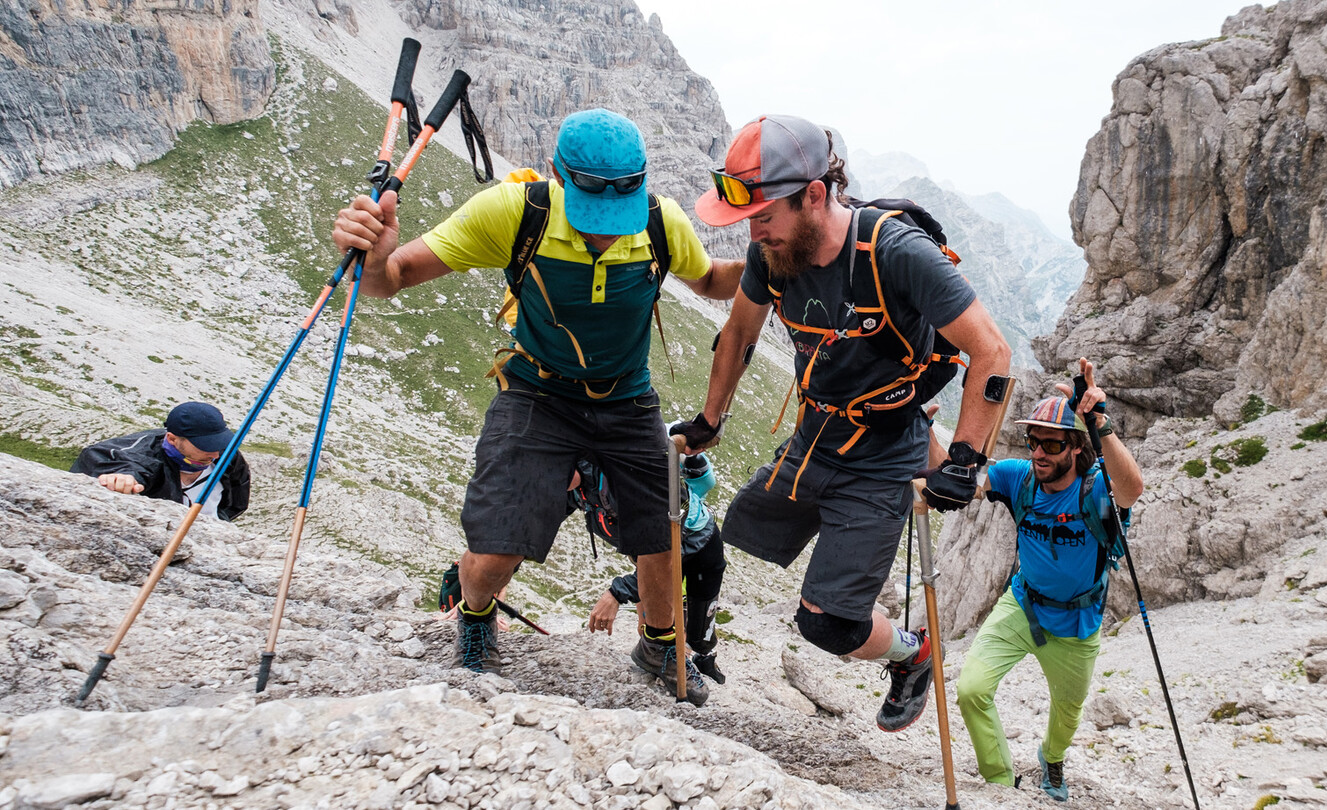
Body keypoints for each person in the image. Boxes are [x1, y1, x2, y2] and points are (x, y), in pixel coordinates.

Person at [330, 107, 743, 704]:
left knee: (662, 532)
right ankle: (475, 616)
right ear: (556, 174)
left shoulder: (659, 222)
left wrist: (769, 262)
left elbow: (709, 282)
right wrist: (371, 257)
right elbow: (389, 279)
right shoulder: (515, 212)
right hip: (536, 394)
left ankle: (657, 644)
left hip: (628, 401)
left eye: (616, 215)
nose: (605, 231)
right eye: (592, 214)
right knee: (500, 541)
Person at [671, 114, 1011, 732]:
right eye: (748, 220)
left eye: (765, 216)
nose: (756, 233)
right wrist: (710, 418)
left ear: (816, 195)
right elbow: (740, 333)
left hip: (884, 452)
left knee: (827, 622)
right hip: (817, 436)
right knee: (732, 532)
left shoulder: (895, 253)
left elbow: (992, 351)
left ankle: (914, 656)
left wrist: (967, 458)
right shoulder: (772, 252)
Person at [955, 360, 1145, 802]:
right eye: (1033, 441)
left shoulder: (1095, 489)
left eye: (1051, 444)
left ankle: (1051, 757)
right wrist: (916, 433)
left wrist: (1101, 424)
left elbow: (1132, 489)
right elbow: (965, 479)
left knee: (1067, 713)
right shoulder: (1019, 478)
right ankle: (1001, 785)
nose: (1038, 453)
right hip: (1023, 605)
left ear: (1076, 448)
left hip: (1078, 624)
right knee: (971, 689)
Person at [584, 451, 729, 684]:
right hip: (656, 552)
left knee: (699, 630)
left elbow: (665, 559)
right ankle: (662, 656)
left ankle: (703, 656)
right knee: (653, 621)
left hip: (699, 549)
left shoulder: (633, 485)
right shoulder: (585, 483)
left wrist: (616, 593)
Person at [71, 401, 252, 522]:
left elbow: (236, 502)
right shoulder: (142, 453)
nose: (215, 454)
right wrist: (124, 478)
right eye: (204, 445)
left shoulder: (229, 456)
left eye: (220, 444)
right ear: (172, 439)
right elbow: (130, 463)